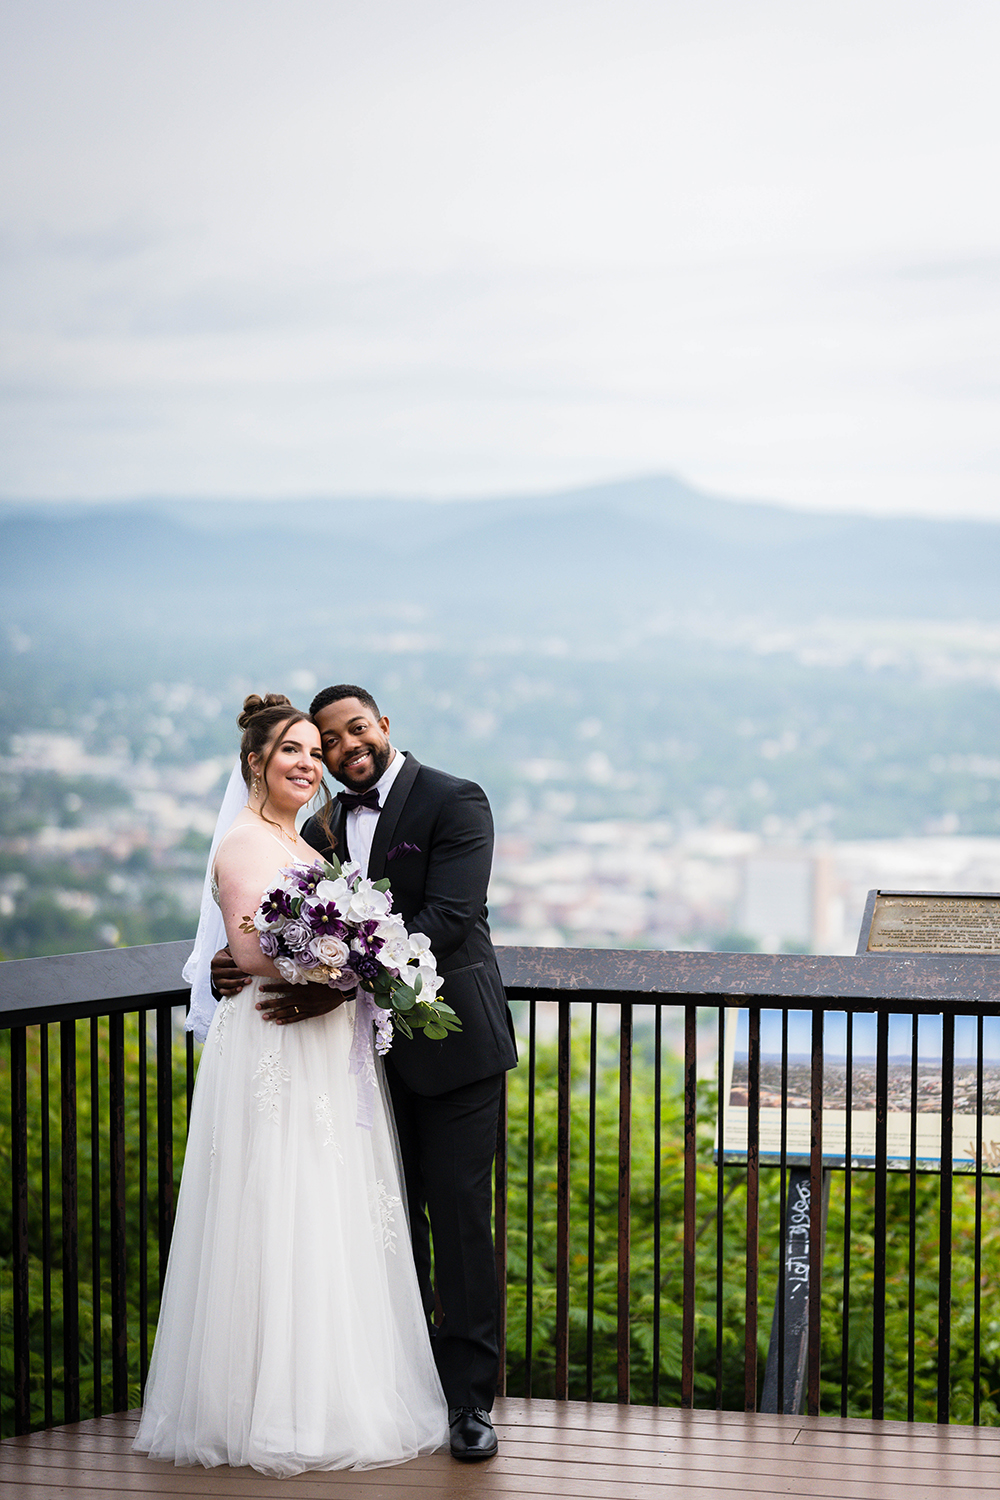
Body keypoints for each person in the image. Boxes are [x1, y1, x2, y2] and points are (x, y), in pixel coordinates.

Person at [133, 694, 448, 1476]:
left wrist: (349, 964)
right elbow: (251, 952)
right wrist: (354, 963)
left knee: (327, 1210)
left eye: (315, 752)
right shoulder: (246, 842)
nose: (310, 764)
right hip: (276, 1045)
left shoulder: (303, 838)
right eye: (293, 753)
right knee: (277, 1207)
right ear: (254, 764)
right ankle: (269, 1408)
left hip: (318, 1047)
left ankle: (333, 1393)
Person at [211, 684, 517, 1462]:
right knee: (384, 1228)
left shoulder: (456, 799)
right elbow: (282, 918)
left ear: (383, 726)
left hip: (453, 1053)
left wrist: (334, 977)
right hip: (363, 1064)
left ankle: (470, 1404)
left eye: (353, 732)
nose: (343, 748)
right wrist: (243, 958)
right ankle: (402, 1389)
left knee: (457, 1221)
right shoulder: (318, 827)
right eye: (324, 741)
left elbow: (448, 919)